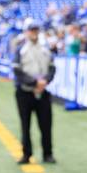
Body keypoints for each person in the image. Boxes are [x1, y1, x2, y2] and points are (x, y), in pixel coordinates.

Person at [12, 20, 56, 165]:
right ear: (26, 32)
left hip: (42, 92)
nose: (34, 33)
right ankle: (26, 154)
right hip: (25, 92)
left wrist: (45, 81)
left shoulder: (46, 48)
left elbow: (52, 68)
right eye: (31, 30)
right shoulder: (20, 49)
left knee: (46, 125)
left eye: (36, 30)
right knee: (25, 125)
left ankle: (48, 154)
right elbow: (17, 71)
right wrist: (34, 82)